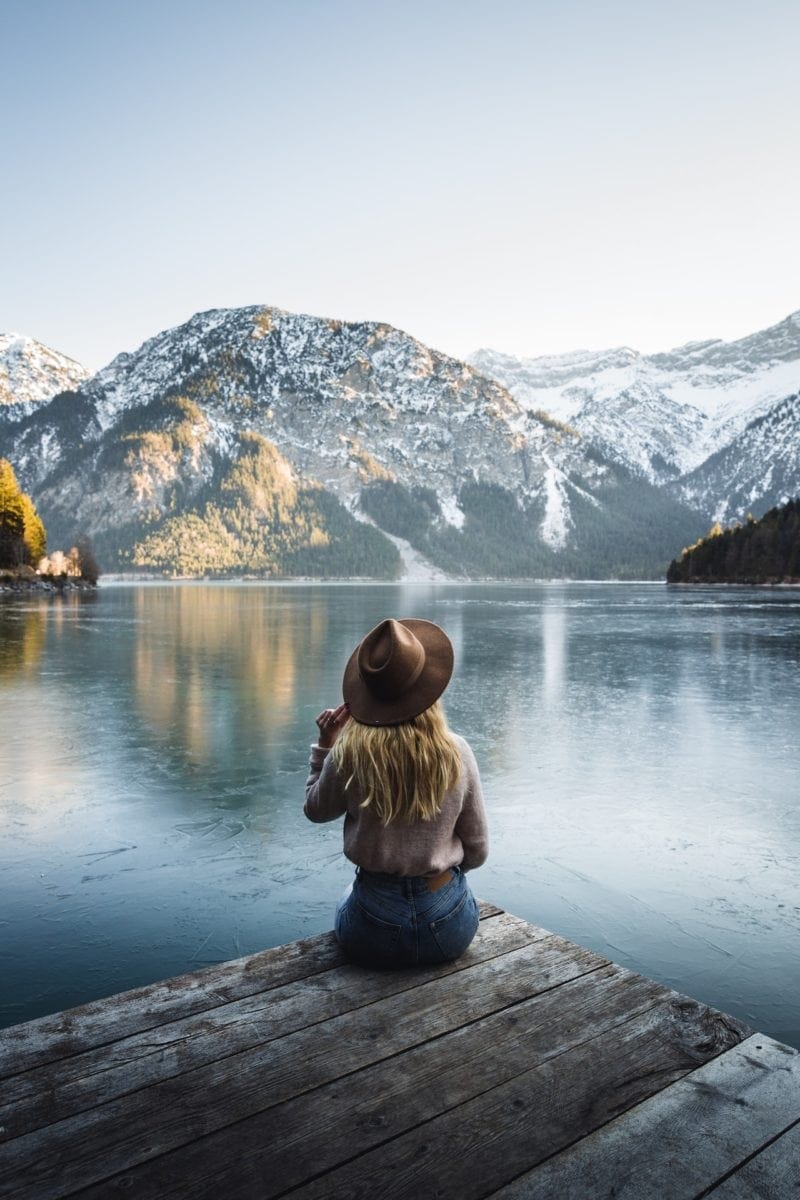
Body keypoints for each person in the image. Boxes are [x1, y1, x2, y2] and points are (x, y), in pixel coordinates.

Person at [304, 617, 489, 968]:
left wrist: (326, 746)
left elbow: (315, 810)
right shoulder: (458, 752)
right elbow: (477, 851)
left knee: (349, 898)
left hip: (373, 930)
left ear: (368, 695)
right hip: (450, 928)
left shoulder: (350, 756)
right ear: (429, 689)